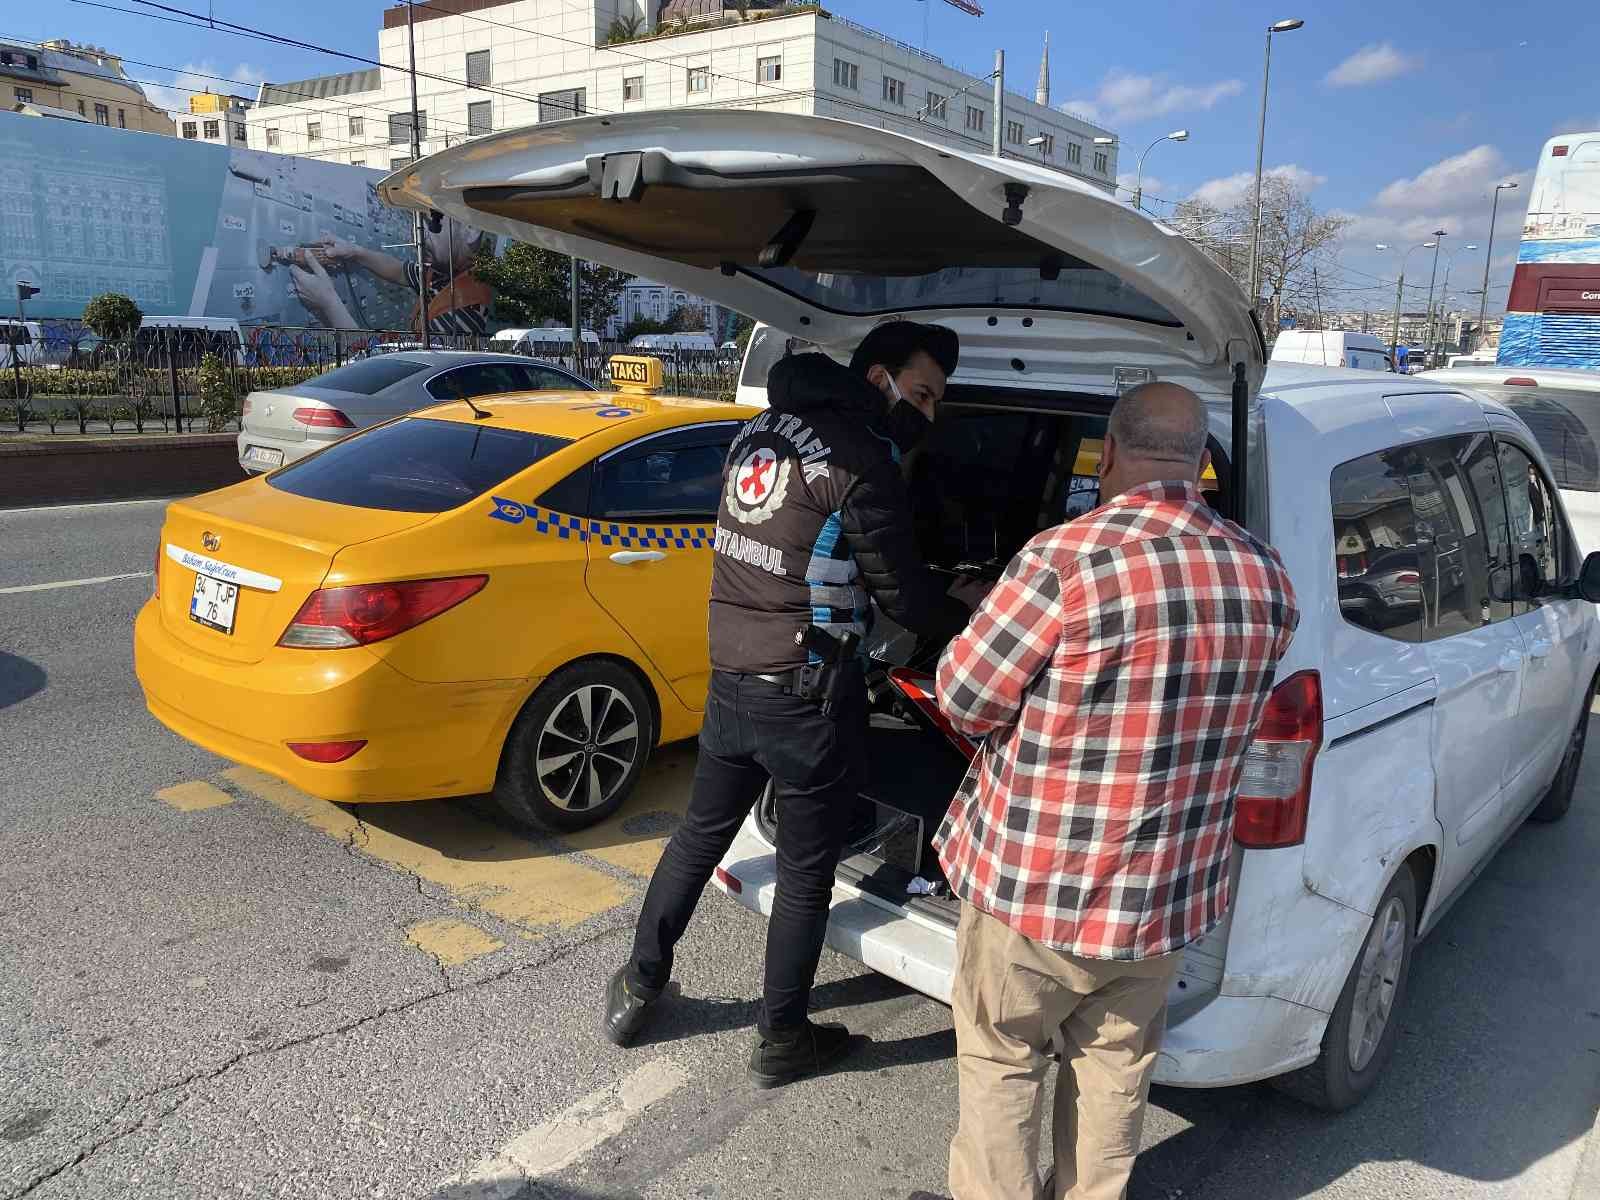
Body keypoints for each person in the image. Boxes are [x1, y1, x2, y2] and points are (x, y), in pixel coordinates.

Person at [930, 382, 1300, 1200]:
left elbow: (963, 697)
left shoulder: (1063, 559)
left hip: (1035, 889)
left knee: (1001, 1063)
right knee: (1114, 1078)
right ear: (1200, 462)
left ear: (1108, 455)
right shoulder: (1266, 574)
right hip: (1161, 898)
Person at [604, 321, 985, 1087]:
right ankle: (782, 1038)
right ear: (878, 379)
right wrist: (977, 606)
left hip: (733, 675)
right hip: (808, 699)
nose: (928, 414)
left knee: (698, 836)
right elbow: (906, 600)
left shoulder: (760, 431)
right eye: (921, 394)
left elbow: (793, 549)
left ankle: (638, 986)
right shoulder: (861, 460)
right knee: (806, 874)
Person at [287, 219, 490, 337]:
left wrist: (329, 303)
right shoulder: (444, 272)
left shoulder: (465, 316)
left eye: (431, 223)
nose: (417, 238)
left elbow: (386, 375)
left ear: (470, 229)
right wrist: (355, 252)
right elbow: (399, 270)